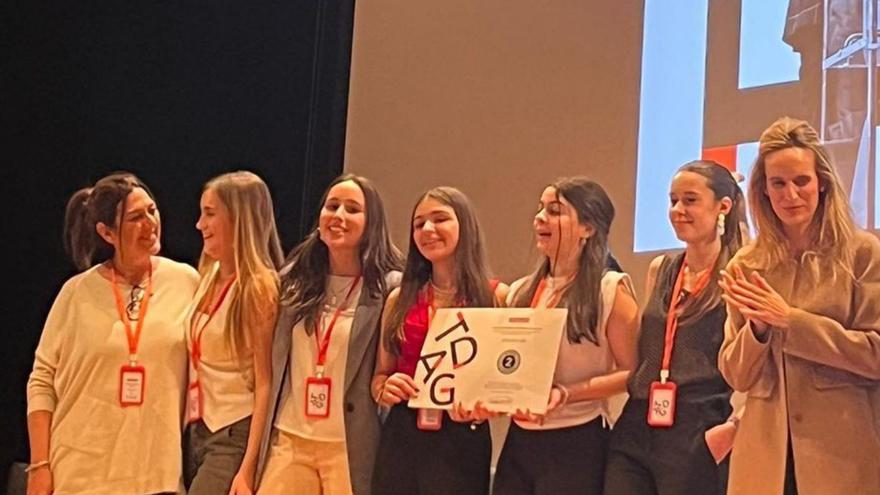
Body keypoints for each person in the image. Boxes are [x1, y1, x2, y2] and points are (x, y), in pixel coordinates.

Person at [719, 117, 880, 495]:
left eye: (801, 181)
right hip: (764, 460)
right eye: (778, 184)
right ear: (763, 191)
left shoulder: (863, 254)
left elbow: (875, 354)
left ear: (822, 183)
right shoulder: (746, 263)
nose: (790, 194)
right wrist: (758, 331)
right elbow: (736, 375)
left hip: (842, 456)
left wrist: (791, 322)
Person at [26, 172, 200, 495]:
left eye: (152, 210)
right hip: (81, 475)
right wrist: (40, 465)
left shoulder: (186, 282)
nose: (150, 223)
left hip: (156, 476)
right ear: (107, 233)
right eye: (136, 217)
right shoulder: (76, 293)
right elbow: (41, 379)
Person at [604, 161, 746, 495]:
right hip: (640, 417)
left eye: (690, 200)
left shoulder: (740, 271)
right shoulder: (662, 268)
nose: (678, 210)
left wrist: (733, 426)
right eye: (673, 201)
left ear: (723, 206)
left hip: (699, 421)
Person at [257, 174, 403, 495]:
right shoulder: (293, 282)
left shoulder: (389, 288)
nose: (338, 216)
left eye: (352, 209)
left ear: (372, 222)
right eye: (331, 206)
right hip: (290, 439)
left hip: (349, 446)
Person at [493, 177, 639, 495]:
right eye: (541, 209)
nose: (540, 218)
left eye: (555, 211)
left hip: (578, 439)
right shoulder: (518, 291)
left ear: (588, 228)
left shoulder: (609, 289)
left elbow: (633, 374)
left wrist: (566, 394)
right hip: (519, 440)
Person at [371, 186, 508, 495]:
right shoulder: (399, 298)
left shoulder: (496, 297)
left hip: (462, 437)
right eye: (419, 224)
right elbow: (380, 376)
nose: (428, 230)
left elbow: (506, 382)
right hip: (402, 433)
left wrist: (489, 406)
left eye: (439, 219)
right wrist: (384, 388)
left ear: (465, 226)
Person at [183, 171, 284, 494]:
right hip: (196, 430)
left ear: (239, 218)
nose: (200, 224)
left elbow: (265, 382)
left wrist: (248, 468)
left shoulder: (258, 286)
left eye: (210, 214)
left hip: (233, 435)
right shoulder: (208, 274)